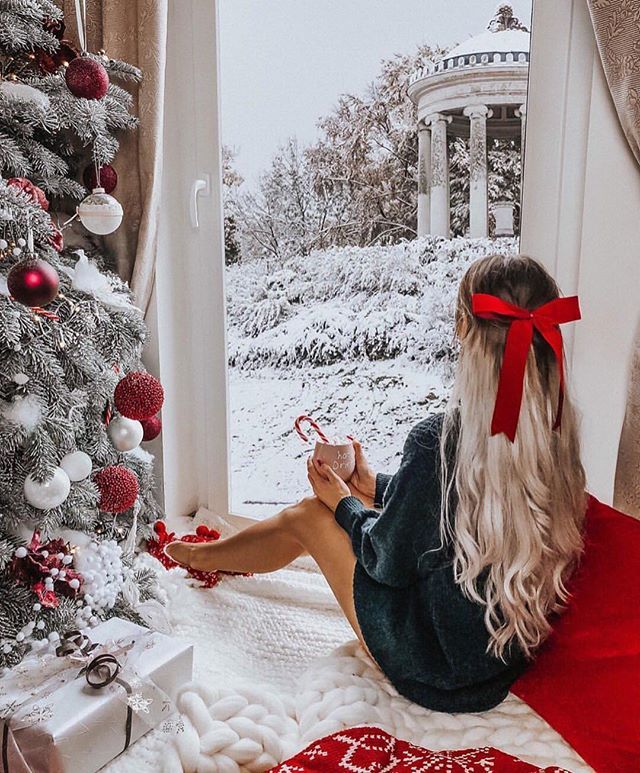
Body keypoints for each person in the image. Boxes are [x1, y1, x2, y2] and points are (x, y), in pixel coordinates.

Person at [165, 253, 588, 713]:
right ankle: (208, 555)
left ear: (466, 332)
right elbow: (448, 510)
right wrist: (374, 485)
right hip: (495, 662)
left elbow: (385, 560)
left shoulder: (437, 442)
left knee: (309, 515)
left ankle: (197, 556)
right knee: (331, 511)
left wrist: (343, 503)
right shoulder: (553, 434)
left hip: (431, 668)